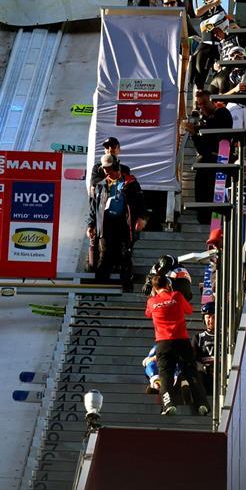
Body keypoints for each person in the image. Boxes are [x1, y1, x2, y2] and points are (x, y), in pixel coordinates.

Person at [145, 275, 207, 416]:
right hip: (181, 341)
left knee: (165, 376)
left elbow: (148, 314)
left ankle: (168, 404)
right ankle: (202, 403)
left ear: (154, 288)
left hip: (163, 343)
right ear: (168, 285)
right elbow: (189, 310)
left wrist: (155, 296)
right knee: (191, 373)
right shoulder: (177, 295)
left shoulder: (151, 301)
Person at [86, 153, 147, 291]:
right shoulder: (101, 185)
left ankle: (126, 287)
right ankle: (100, 288)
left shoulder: (131, 183)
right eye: (104, 168)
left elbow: (141, 202)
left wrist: (142, 217)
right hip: (106, 223)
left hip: (125, 223)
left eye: (108, 167)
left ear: (115, 166)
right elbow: (93, 206)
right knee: (105, 254)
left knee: (125, 254)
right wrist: (91, 224)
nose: (106, 171)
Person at [181, 87, 234, 224]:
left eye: (204, 103)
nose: (202, 107)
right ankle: (205, 218)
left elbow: (214, 140)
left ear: (213, 101)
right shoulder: (206, 118)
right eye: (199, 104)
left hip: (219, 160)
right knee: (202, 192)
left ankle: (215, 219)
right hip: (207, 161)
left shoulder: (222, 113)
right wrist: (195, 133)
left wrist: (198, 131)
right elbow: (203, 148)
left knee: (214, 193)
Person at [193, 304, 217, 396]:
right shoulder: (198, 337)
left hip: (220, 372)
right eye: (208, 317)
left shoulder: (226, 337)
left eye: (213, 317)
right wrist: (203, 367)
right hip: (204, 373)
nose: (210, 320)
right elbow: (193, 359)